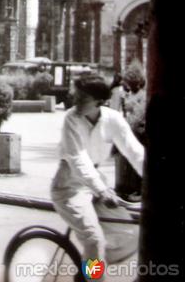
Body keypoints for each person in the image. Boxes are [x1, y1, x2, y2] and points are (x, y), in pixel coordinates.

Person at [51, 73, 144, 265]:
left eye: (82, 98)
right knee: (94, 240)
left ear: (99, 101)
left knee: (130, 232)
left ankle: (90, 269)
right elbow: (78, 159)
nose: (75, 102)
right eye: (75, 96)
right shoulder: (71, 119)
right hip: (69, 188)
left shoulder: (113, 119)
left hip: (97, 185)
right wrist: (101, 190)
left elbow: (135, 152)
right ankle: (92, 273)